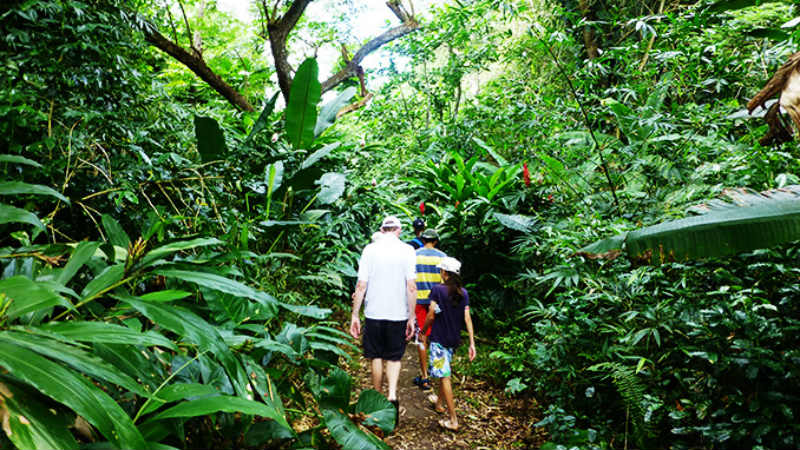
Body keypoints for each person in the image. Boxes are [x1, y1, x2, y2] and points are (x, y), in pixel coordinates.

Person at [350, 215, 417, 426]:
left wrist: (355, 315)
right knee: (394, 358)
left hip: (374, 313)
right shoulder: (407, 250)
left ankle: (377, 399)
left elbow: (361, 285)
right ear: (398, 230)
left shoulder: (370, 250)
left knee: (376, 356)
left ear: (382, 229)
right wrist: (412, 317)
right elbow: (412, 286)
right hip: (398, 314)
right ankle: (393, 396)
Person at [420, 256, 476, 432]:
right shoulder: (463, 293)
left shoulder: (437, 290)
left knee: (444, 377)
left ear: (444, 272)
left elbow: (430, 314)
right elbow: (467, 318)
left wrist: (423, 332)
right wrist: (472, 343)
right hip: (453, 340)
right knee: (444, 371)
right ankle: (438, 403)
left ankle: (453, 420)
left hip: (438, 339)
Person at [412, 228, 446, 391]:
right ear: (436, 241)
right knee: (438, 338)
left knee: (422, 337)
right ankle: (439, 375)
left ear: (422, 239)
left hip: (419, 301)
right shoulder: (443, 257)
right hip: (437, 302)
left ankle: (424, 377)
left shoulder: (414, 255)